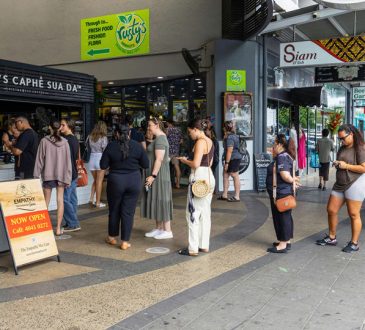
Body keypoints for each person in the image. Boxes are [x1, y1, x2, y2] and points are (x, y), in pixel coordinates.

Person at [316, 124, 365, 253]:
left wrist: (346, 165)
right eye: (340, 139)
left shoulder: (360, 148)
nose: (341, 141)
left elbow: (363, 168)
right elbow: (342, 163)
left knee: (354, 214)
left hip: (355, 182)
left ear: (351, 134)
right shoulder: (342, 148)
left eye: (343, 138)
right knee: (331, 209)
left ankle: (354, 243)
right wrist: (338, 164)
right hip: (340, 182)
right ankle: (332, 238)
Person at [100, 125, 149, 250]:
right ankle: (125, 242)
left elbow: (103, 165)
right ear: (129, 134)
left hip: (116, 181)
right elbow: (146, 164)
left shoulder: (111, 146)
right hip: (133, 181)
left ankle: (112, 237)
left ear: (116, 133)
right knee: (128, 212)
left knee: (114, 209)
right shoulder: (137, 146)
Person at [177, 118, 215, 256]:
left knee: (192, 213)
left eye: (190, 132)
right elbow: (209, 162)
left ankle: (193, 248)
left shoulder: (199, 142)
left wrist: (184, 160)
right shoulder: (210, 141)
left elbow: (196, 164)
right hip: (209, 177)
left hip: (198, 177)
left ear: (195, 129)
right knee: (205, 213)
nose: (189, 135)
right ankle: (204, 245)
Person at [33, 120, 72, 236]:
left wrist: (36, 176)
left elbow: (39, 160)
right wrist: (68, 178)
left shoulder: (44, 141)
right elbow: (68, 162)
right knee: (60, 201)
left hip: (48, 175)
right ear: (60, 128)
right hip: (61, 176)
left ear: (50, 127)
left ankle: (43, 228)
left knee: (45, 201)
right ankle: (58, 229)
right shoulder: (65, 142)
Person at [141, 117, 173, 239]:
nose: (148, 127)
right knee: (157, 199)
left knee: (162, 200)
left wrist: (153, 176)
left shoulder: (160, 139)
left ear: (156, 125)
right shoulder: (159, 138)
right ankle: (159, 228)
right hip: (157, 175)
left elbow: (159, 159)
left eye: (150, 125)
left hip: (158, 175)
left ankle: (167, 230)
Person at [266, 134, 299, 253]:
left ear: (279, 144)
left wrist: (292, 181)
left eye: (274, 144)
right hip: (282, 191)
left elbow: (285, 174)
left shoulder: (282, 157)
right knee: (285, 216)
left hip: (281, 192)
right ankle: (286, 240)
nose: (273, 147)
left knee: (282, 217)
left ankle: (283, 244)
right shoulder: (286, 156)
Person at [59, 118, 81, 232]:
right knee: (72, 199)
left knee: (64, 199)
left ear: (69, 126)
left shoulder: (66, 140)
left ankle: (73, 223)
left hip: (68, 174)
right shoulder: (74, 139)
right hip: (73, 173)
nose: (60, 127)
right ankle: (71, 222)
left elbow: (65, 160)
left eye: (63, 125)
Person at [3, 115, 38, 179]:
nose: (16, 126)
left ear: (20, 122)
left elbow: (17, 151)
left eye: (16, 123)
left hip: (24, 169)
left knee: (21, 187)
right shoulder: (33, 133)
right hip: (30, 168)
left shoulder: (26, 134)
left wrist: (9, 145)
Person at [217, 121, 241, 202]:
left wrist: (227, 163)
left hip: (233, 159)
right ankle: (224, 195)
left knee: (234, 176)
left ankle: (237, 196)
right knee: (225, 175)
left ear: (225, 128)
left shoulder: (230, 137)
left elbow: (229, 151)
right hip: (231, 158)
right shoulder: (229, 136)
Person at [87, 121, 108, 208]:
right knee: (99, 182)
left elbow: (87, 147)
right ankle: (98, 202)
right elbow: (105, 150)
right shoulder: (103, 137)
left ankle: (91, 199)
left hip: (92, 159)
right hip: (100, 159)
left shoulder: (90, 136)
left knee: (95, 181)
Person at [166, 120, 182, 188]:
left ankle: (166, 184)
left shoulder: (167, 130)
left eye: (167, 124)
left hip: (168, 151)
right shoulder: (179, 130)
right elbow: (181, 141)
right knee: (177, 167)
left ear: (170, 124)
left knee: (165, 167)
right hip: (175, 151)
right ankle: (178, 184)